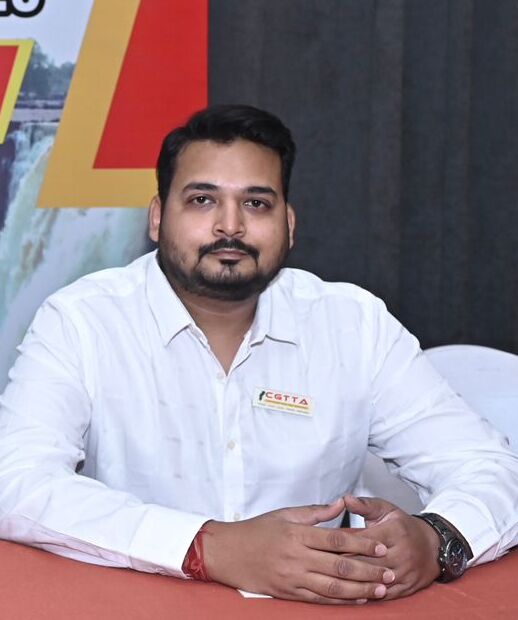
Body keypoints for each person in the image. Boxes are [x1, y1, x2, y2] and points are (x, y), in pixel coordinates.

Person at [0, 105, 516, 605]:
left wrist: (439, 539)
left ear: (289, 222)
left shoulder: (354, 325)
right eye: (202, 200)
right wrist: (208, 547)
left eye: (256, 203)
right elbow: (16, 479)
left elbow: (490, 467)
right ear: (157, 218)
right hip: (131, 603)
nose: (230, 226)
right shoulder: (82, 321)